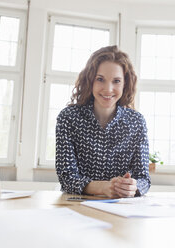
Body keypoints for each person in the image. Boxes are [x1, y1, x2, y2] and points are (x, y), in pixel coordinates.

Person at [55, 45, 151, 198]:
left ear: (125, 84)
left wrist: (133, 186)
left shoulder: (137, 122)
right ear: (90, 80)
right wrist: (103, 187)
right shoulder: (68, 118)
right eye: (100, 79)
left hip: (123, 209)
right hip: (77, 206)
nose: (108, 89)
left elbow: (144, 179)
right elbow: (66, 177)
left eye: (116, 81)